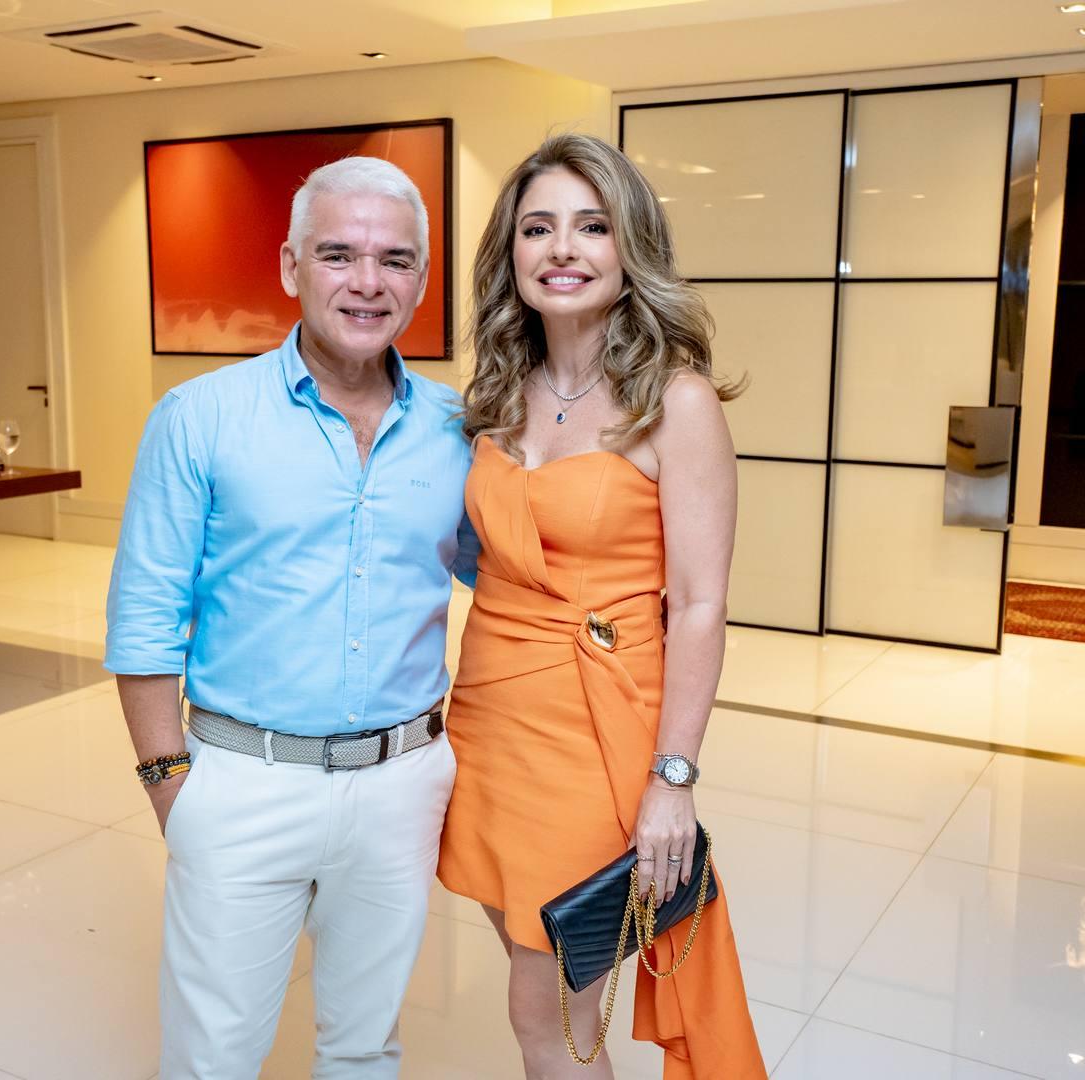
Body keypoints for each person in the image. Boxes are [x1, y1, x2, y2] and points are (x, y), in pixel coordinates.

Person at [105, 156, 478, 1080]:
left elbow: (512, 582)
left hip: (401, 784)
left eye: (395, 260)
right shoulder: (199, 417)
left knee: (365, 1046)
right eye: (338, 254)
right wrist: (169, 784)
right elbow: (146, 614)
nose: (367, 282)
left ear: (421, 281)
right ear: (290, 267)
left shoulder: (459, 429)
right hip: (242, 782)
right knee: (214, 1057)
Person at [437, 132, 766, 1079]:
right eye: (537, 227)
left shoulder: (676, 401)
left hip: (596, 734)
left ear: (631, 247)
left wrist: (673, 779)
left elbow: (699, 603)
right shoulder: (496, 392)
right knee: (533, 963)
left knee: (549, 1014)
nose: (562, 249)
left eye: (591, 226)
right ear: (511, 252)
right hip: (487, 723)